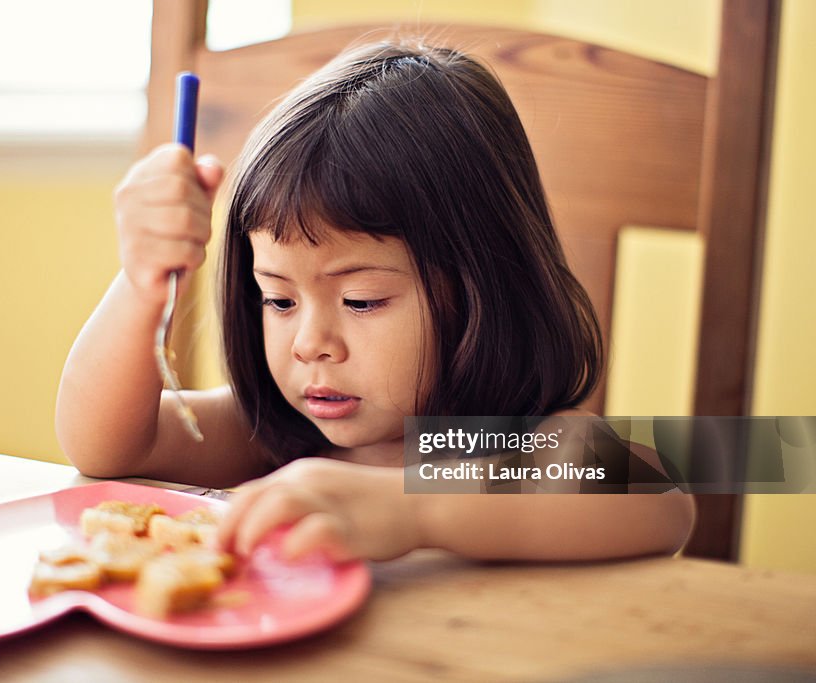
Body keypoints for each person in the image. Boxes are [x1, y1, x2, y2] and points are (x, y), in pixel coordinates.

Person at [55, 42, 695, 564]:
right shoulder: (276, 438)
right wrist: (142, 283)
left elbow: (661, 492)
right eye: (278, 299)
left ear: (479, 291)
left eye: (361, 300)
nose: (310, 342)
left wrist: (415, 507)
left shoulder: (517, 445)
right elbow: (106, 446)